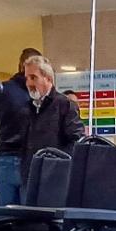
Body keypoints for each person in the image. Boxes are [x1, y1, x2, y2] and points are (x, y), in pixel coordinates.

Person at [19, 54, 85, 188]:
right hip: (31, 178)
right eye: (27, 78)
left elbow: (76, 139)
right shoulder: (28, 107)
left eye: (33, 77)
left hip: (56, 179)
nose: (29, 83)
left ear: (48, 78)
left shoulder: (65, 105)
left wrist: (57, 167)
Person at [0, 47, 41, 205]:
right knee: (30, 217)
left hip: (3, 157)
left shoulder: (1, 90)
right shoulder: (38, 94)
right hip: (29, 160)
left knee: (6, 217)